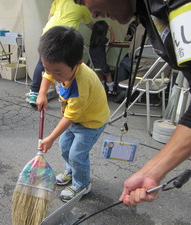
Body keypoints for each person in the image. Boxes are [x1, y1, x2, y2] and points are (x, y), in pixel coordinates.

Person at [75, 0, 191, 206]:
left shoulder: (175, 3)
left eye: (83, 0)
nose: (92, 14)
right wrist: (152, 172)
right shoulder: (148, 14)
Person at [36, 26, 110, 202]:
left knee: (77, 154)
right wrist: (42, 93)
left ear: (77, 63)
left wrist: (50, 138)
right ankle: (71, 172)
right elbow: (49, 75)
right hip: (75, 118)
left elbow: (69, 117)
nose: (53, 74)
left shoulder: (81, 85)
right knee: (66, 147)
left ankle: (82, 184)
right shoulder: (59, 65)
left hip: (91, 122)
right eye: (47, 68)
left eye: (58, 72)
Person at [27, 0, 94, 107]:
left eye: (56, 73)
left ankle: (34, 92)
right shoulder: (83, 5)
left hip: (49, 32)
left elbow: (50, 17)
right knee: (58, 68)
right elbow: (90, 24)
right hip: (66, 39)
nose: (52, 76)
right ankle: (57, 94)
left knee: (44, 64)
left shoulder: (59, 0)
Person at [89, 20, 116, 95]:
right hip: (102, 64)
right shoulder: (103, 39)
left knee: (100, 74)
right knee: (108, 74)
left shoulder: (93, 39)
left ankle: (102, 89)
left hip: (94, 64)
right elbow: (112, 41)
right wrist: (111, 30)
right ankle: (111, 90)